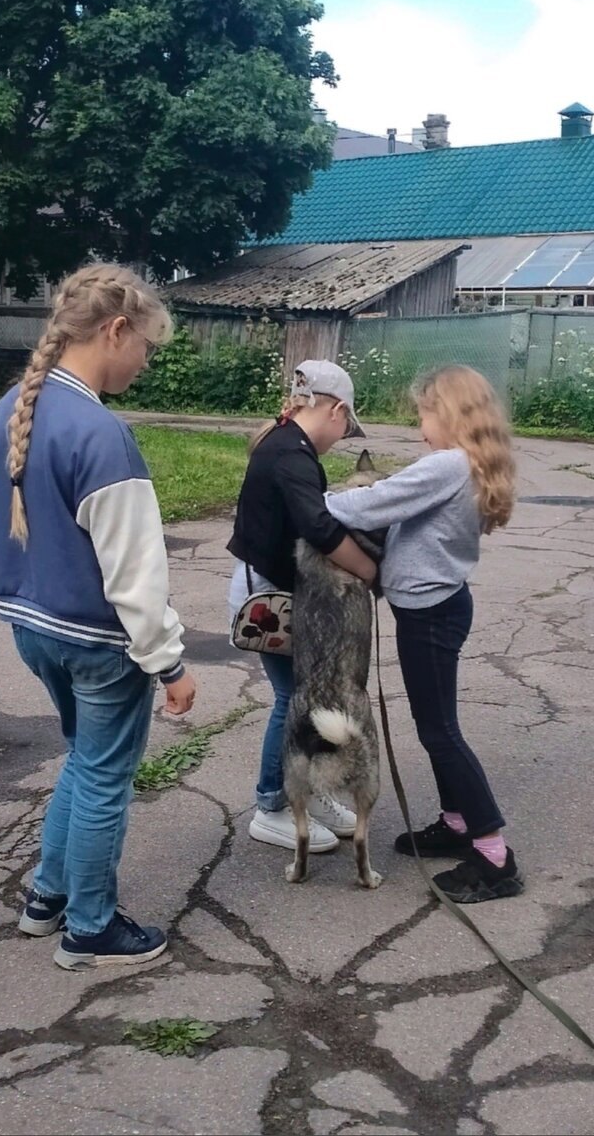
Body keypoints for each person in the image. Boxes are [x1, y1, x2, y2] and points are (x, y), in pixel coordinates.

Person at [0, 262, 197, 970]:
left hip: (31, 628)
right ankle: (90, 928)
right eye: (147, 346)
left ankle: (48, 897)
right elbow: (136, 574)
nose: (146, 361)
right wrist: (170, 665)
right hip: (99, 644)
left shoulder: (5, 412)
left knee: (84, 760)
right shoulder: (102, 436)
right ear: (115, 330)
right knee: (105, 775)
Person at [326, 365, 524, 904]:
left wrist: (303, 504)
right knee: (434, 725)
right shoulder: (468, 464)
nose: (420, 427)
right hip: (438, 607)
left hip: (431, 613)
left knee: (439, 730)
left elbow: (374, 501)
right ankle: (457, 822)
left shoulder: (446, 465)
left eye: (424, 414)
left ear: (450, 415)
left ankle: (493, 854)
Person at [228, 360, 378, 851]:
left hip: (280, 590)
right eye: (347, 425)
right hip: (269, 598)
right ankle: (272, 803)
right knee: (291, 699)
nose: (343, 435)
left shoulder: (288, 444)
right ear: (335, 410)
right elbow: (320, 528)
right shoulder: (291, 454)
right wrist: (370, 572)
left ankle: (306, 794)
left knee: (305, 696)